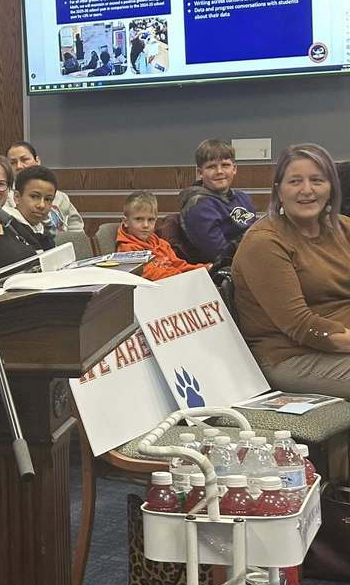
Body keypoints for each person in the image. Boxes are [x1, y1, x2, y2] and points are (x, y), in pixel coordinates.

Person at [233, 143, 350, 398]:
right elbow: (303, 326)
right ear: (279, 191)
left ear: (331, 188)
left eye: (317, 180)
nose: (306, 190)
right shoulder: (264, 242)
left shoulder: (343, 228)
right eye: (295, 181)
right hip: (292, 357)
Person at [180, 138, 257, 265]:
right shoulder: (198, 206)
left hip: (253, 258)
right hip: (224, 272)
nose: (219, 171)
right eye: (211, 167)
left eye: (225, 165)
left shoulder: (242, 197)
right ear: (200, 173)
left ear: (234, 169)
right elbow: (220, 254)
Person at [116, 191, 210, 281]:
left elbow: (179, 265)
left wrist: (204, 269)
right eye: (139, 219)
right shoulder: (127, 250)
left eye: (151, 220)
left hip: (175, 283)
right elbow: (150, 274)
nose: (145, 225)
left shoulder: (161, 244)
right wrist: (182, 277)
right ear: (125, 222)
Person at [6, 140, 83, 233]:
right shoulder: (7, 198)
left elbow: (76, 228)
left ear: (37, 160)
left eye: (24, 159)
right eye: (13, 163)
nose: (19, 166)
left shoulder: (61, 197)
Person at [7, 165, 58, 253]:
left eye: (48, 199)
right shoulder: (6, 229)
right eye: (34, 196)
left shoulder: (44, 233)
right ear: (17, 197)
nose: (41, 205)